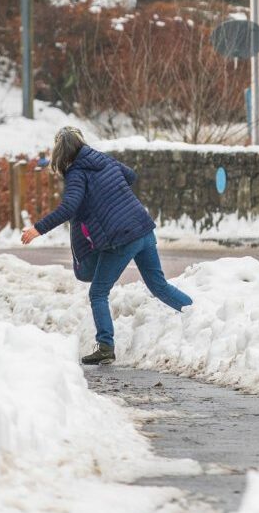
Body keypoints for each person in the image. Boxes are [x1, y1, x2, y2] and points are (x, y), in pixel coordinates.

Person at [22, 127, 193, 366]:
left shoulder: (76, 173)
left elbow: (69, 207)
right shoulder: (103, 160)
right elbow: (131, 175)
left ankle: (105, 346)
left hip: (122, 237)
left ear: (61, 153)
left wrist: (37, 229)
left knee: (98, 293)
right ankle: (197, 317)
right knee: (159, 285)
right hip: (143, 227)